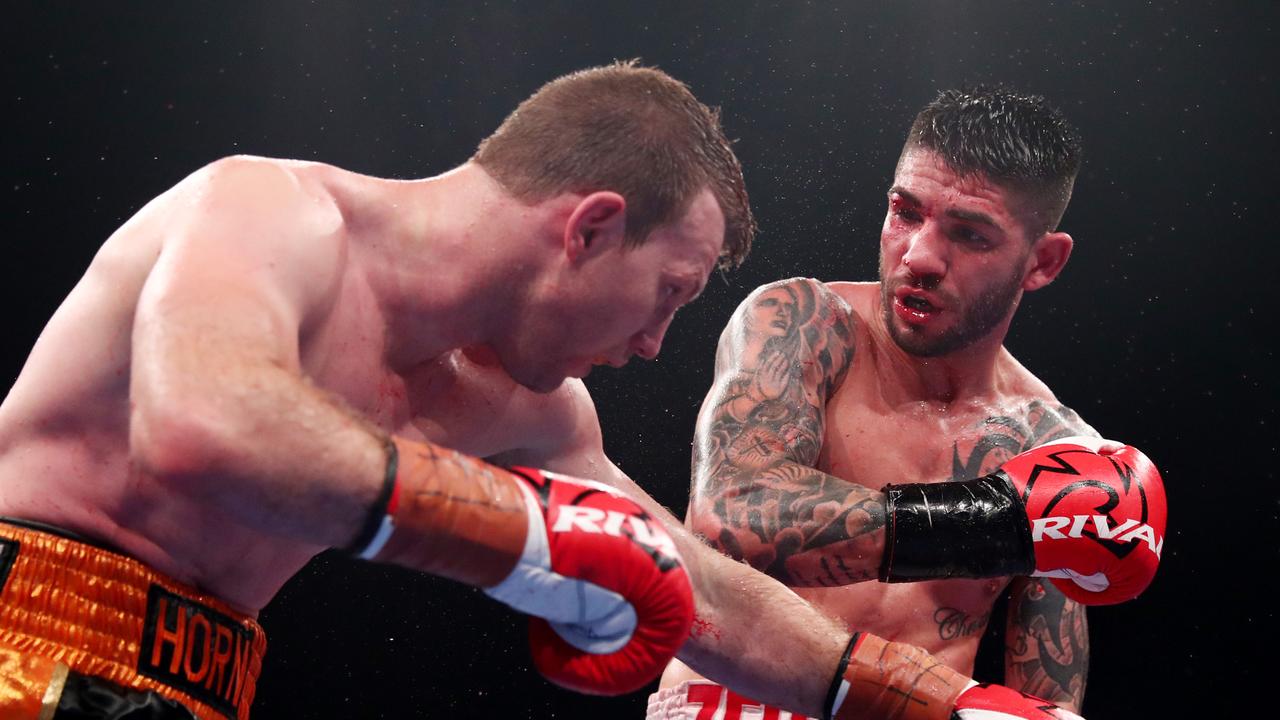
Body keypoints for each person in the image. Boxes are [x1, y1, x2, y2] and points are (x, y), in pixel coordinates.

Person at [0, 59, 1148, 719]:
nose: (656, 343)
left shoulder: (534, 415)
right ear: (591, 229)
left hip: (194, 684)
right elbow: (200, 425)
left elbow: (705, 592)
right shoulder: (268, 213)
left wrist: (933, 708)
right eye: (666, 292)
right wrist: (518, 529)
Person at [654, 87, 1167, 719]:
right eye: (906, 213)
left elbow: (1045, 693)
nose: (920, 255)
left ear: (1043, 262)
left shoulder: (1057, 449)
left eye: (970, 235)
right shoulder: (804, 324)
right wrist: (995, 523)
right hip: (739, 696)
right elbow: (729, 515)